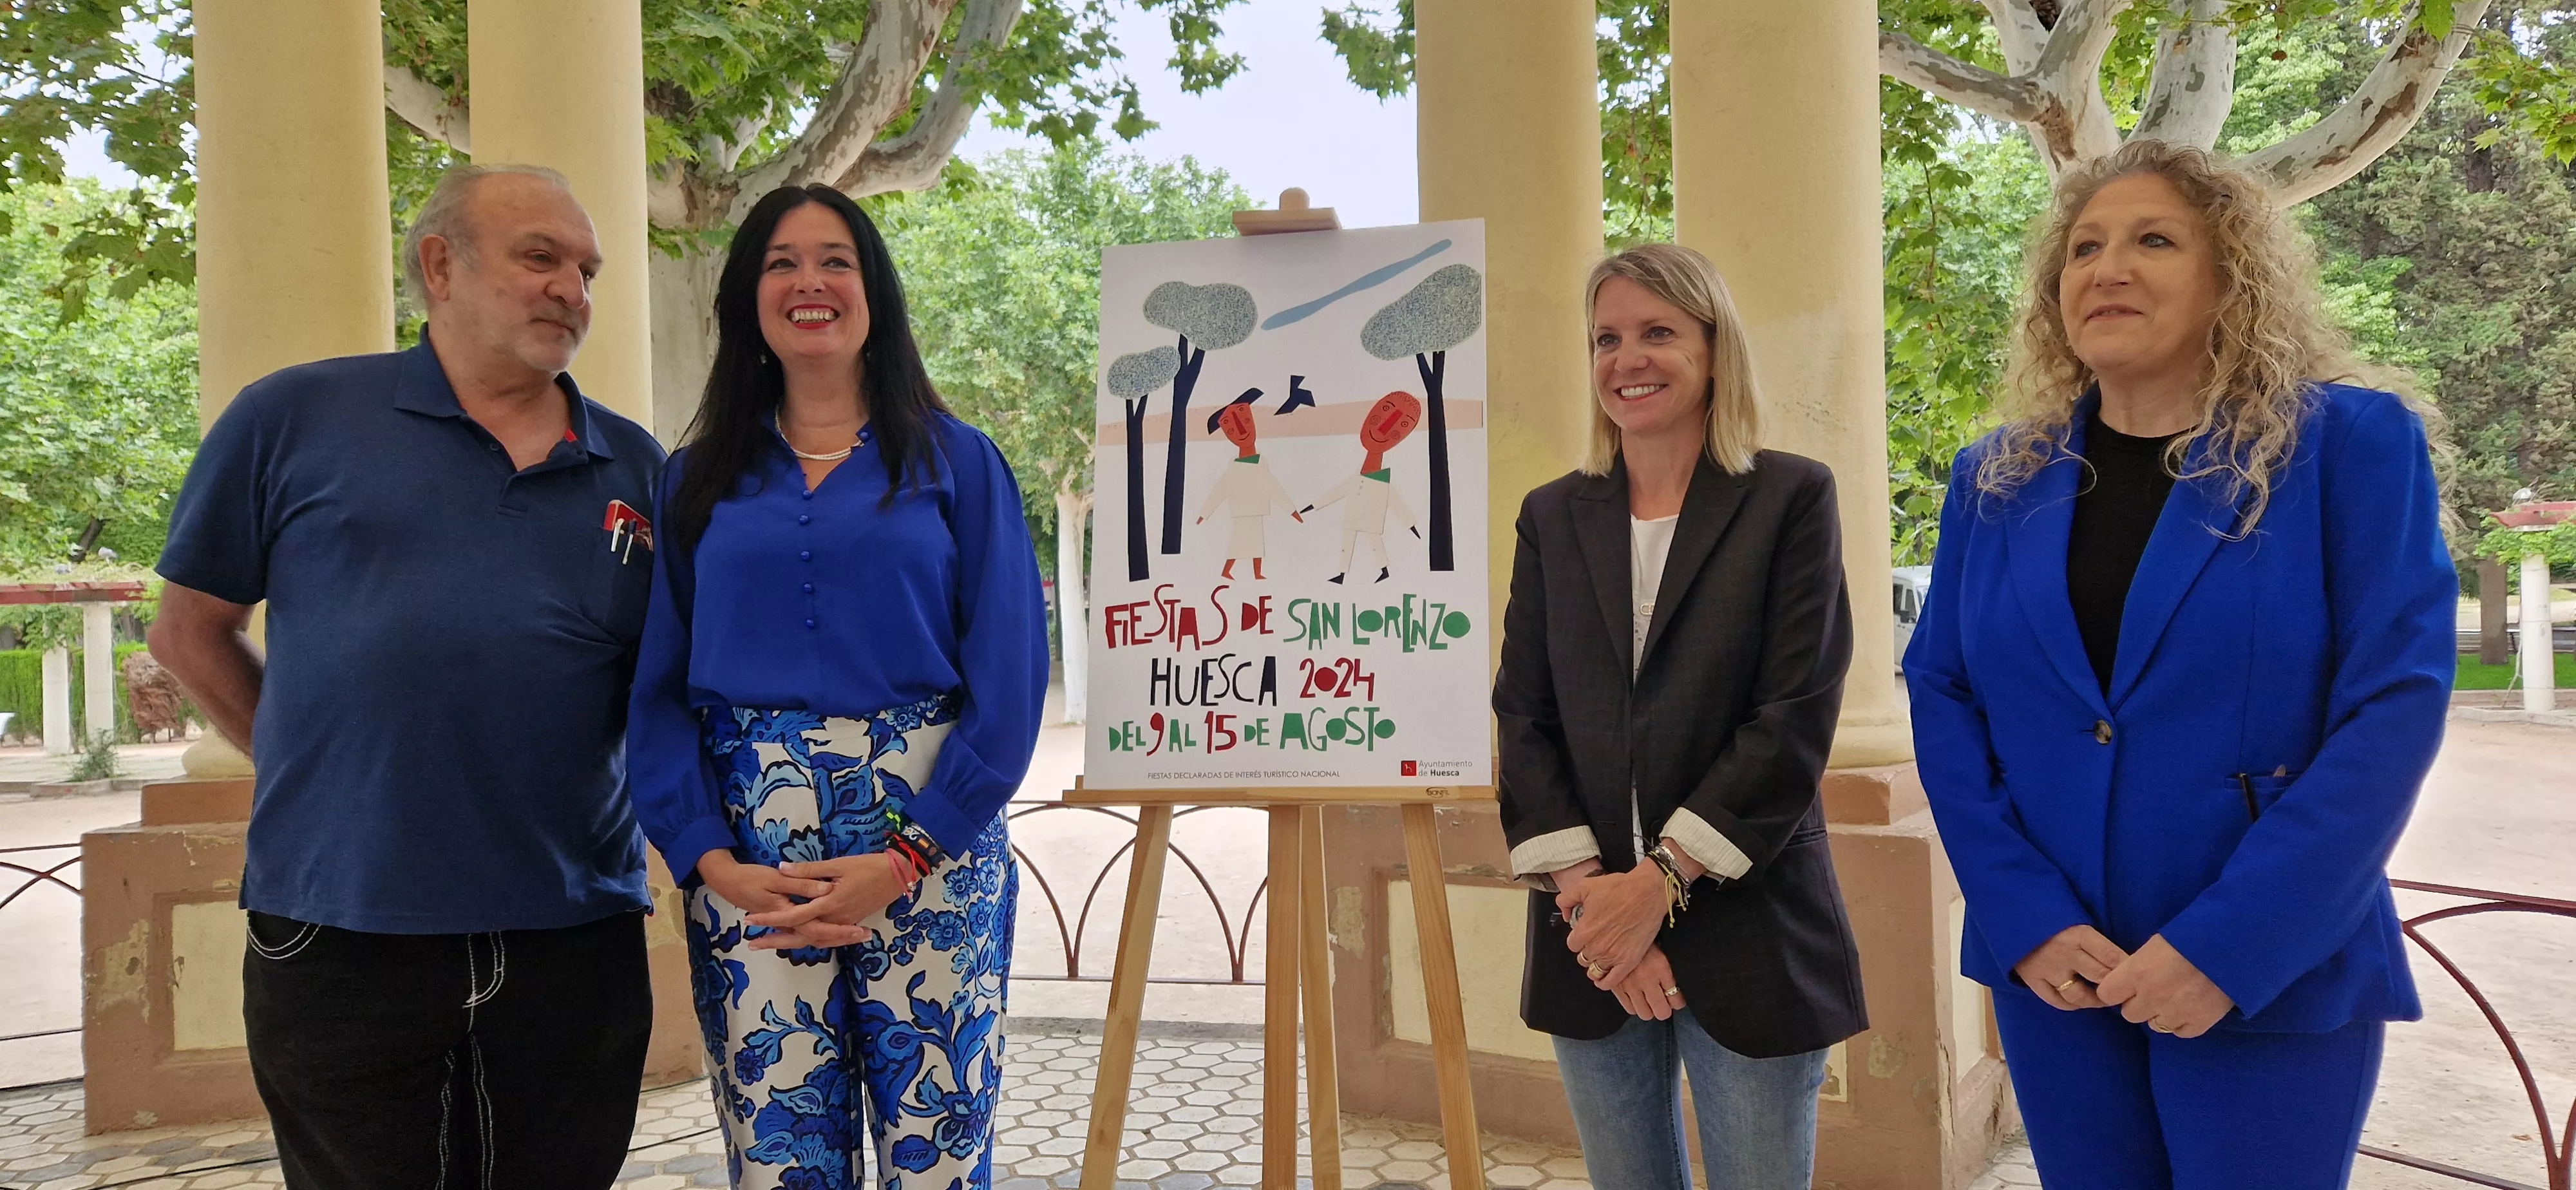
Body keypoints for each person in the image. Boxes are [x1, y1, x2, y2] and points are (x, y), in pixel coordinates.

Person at [1905, 139, 2456, 1189]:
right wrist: (2023, 914)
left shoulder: (2350, 446)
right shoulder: (1994, 480)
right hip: (2058, 971)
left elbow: (2393, 704)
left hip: (2268, 967)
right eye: (2083, 249)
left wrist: (2232, 942)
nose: (2106, 268)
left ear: (2230, 280)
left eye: (2153, 240)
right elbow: (1943, 691)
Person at [148, 164, 665, 1187]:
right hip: (344, 935)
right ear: (440, 265)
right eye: (540, 258)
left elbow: (665, 691)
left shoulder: (637, 469)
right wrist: (315, 770)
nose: (573, 288)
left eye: (588, 269)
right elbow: (189, 633)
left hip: (574, 937)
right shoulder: (290, 419)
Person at [625, 183, 1048, 1189]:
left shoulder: (962, 463)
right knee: (780, 1151)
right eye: (780, 263)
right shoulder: (693, 479)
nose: (808, 281)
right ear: (748, 299)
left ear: (874, 294)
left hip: (930, 844)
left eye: (835, 261)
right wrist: (709, 861)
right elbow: (657, 689)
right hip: (750, 858)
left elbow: (1010, 679)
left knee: (935, 1145)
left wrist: (905, 858)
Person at [1492, 243, 1867, 1189]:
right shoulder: (1553, 515)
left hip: (1750, 927)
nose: (1629, 359)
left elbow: (1793, 715)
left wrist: (1654, 885)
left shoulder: (1790, 497)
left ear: (1714, 350)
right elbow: (1524, 712)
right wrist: (1594, 899)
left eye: (1659, 332)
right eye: (1606, 338)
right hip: (1589, 935)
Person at [1301, 390, 1424, 584]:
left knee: (1374, 542)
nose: (1385, 427)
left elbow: (1397, 504)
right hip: (1353, 516)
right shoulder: (1357, 479)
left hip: (1369, 518)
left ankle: (1383, 571)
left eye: (1402, 423)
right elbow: (1337, 493)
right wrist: (1313, 506)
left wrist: (1411, 524)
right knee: (1349, 543)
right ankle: (1342, 574)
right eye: (1386, 410)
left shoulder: (1383, 485)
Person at [1195, 390, 1301, 579]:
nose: (1243, 432)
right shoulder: (1234, 469)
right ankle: (1227, 571)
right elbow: (1219, 491)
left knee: (1257, 544)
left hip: (1255, 510)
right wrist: (1204, 514)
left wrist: (1291, 510)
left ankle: (1256, 573)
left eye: (1245, 422)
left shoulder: (1260, 464)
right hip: (1242, 512)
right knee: (1238, 543)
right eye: (1233, 430)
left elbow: (1273, 488)